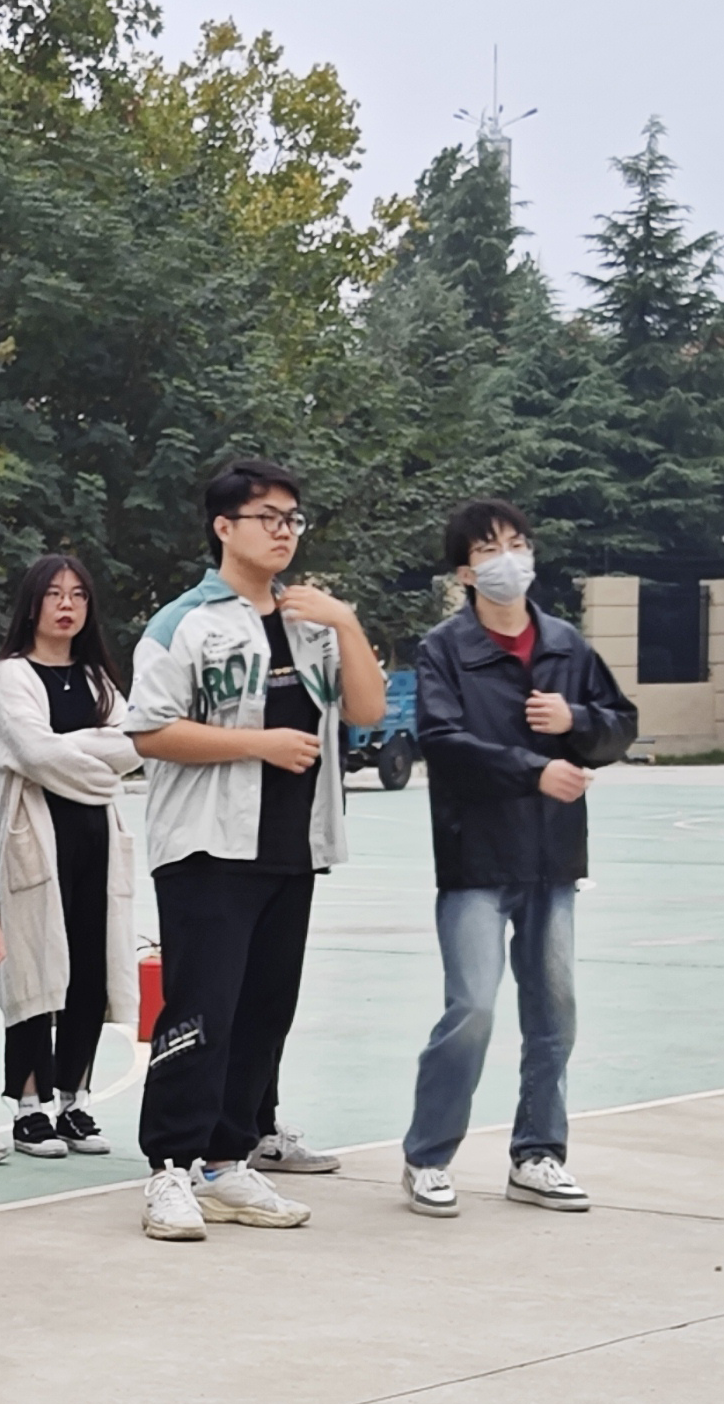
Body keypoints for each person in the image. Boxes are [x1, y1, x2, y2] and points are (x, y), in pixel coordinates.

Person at [119, 460, 385, 1242]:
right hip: (207, 848)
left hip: (291, 848)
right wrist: (258, 744)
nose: (283, 531)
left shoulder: (311, 622)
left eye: (292, 519)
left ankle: (227, 1159)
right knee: (201, 1008)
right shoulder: (184, 623)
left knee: (265, 1009)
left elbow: (367, 709)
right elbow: (148, 731)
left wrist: (346, 622)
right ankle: (170, 1167)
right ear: (223, 527)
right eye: (267, 517)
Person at [398, 501, 637, 1218]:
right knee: (472, 1007)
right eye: (489, 548)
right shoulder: (445, 648)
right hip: (475, 858)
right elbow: (442, 741)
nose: (509, 558)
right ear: (465, 572)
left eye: (517, 543)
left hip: (552, 858)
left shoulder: (566, 644)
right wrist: (535, 770)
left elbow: (620, 725)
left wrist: (577, 721)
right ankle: (427, 1157)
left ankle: (538, 1154)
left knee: (554, 1012)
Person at [0, 553, 140, 1158]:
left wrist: (68, 753)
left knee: (88, 968)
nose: (67, 605)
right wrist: (95, 757)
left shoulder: (98, 678)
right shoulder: (12, 675)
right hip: (37, 838)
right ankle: (29, 1106)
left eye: (78, 594)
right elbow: (32, 750)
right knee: (34, 967)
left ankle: (75, 1100)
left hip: (96, 838)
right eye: (54, 594)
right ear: (33, 604)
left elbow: (133, 744)